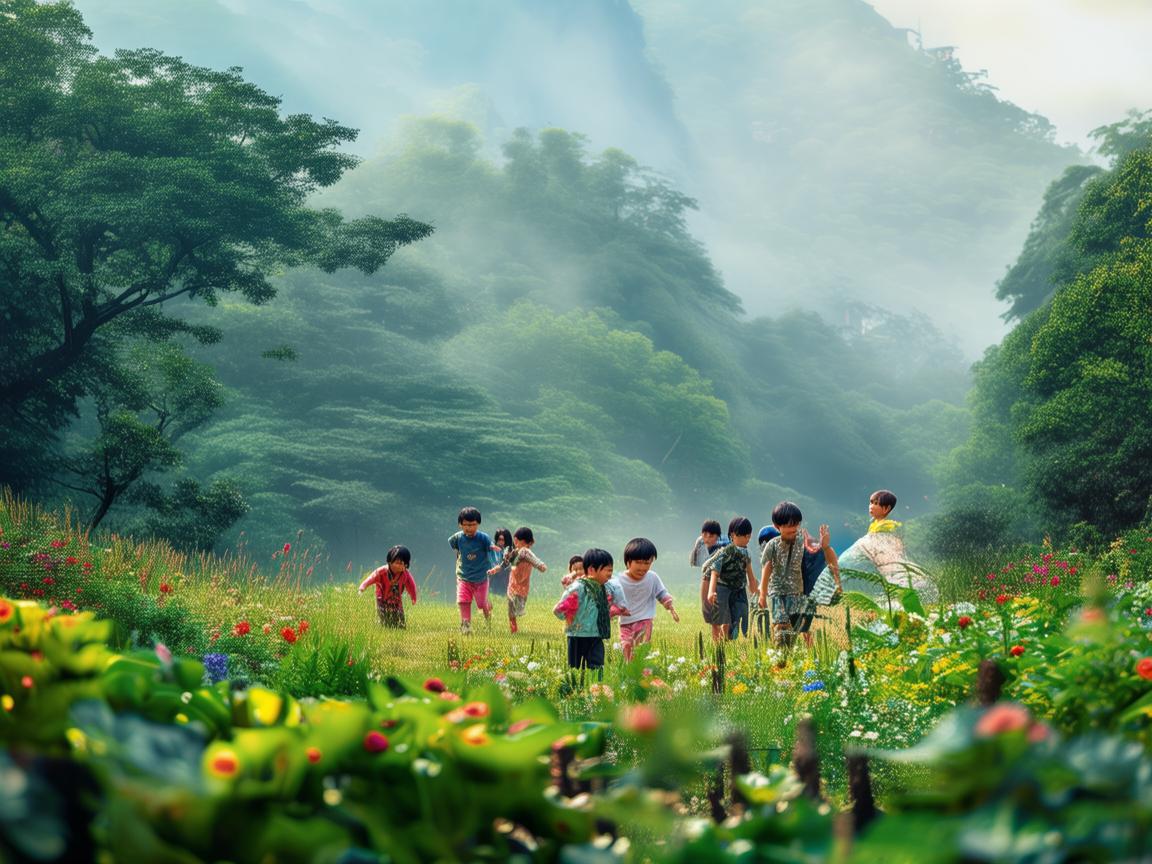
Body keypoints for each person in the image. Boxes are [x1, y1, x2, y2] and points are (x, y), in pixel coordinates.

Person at [759, 523, 840, 645]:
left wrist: (837, 582)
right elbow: (768, 569)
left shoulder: (803, 547)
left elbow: (826, 554)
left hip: (805, 594)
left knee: (799, 628)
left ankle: (805, 655)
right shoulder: (775, 550)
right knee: (786, 627)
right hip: (791, 595)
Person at [553, 548, 627, 671]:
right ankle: (576, 688)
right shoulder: (578, 587)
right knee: (575, 667)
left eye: (611, 570)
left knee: (597, 666)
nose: (610, 574)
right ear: (592, 570)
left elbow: (614, 599)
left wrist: (618, 609)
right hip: (577, 635)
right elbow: (560, 610)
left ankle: (596, 688)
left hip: (596, 635)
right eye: (607, 570)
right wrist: (566, 612)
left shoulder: (605, 587)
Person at [612, 538, 679, 661]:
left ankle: (640, 672)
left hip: (644, 620)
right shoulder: (618, 580)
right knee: (626, 646)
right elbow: (610, 598)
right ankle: (630, 672)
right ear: (628, 562)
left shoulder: (652, 577)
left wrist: (668, 603)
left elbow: (661, 593)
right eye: (638, 562)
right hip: (625, 622)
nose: (642, 567)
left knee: (640, 649)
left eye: (647, 563)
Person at [757, 501, 810, 648]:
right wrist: (762, 593)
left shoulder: (802, 540)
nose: (793, 530)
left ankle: (788, 656)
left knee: (792, 628)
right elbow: (767, 568)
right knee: (781, 624)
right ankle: (779, 656)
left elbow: (813, 558)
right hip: (776, 592)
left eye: (796, 525)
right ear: (777, 526)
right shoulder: (772, 545)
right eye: (788, 526)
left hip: (796, 592)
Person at [704, 517, 757, 642]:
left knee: (733, 619)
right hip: (722, 588)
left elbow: (749, 572)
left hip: (738, 590)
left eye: (749, 535)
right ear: (733, 535)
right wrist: (711, 591)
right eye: (744, 535)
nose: (747, 538)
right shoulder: (725, 553)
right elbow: (715, 572)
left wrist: (754, 588)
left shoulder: (746, 554)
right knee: (719, 619)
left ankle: (726, 642)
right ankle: (717, 646)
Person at [490, 526, 547, 633]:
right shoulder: (516, 552)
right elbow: (505, 563)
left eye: (515, 539)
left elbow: (535, 560)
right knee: (511, 608)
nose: (514, 541)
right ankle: (514, 630)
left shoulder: (525, 552)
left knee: (515, 608)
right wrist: (496, 569)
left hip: (521, 586)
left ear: (519, 540)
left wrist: (541, 566)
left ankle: (517, 617)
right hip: (513, 584)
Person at [449, 506, 495, 635]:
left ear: (478, 524)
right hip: (464, 576)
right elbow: (454, 547)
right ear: (460, 525)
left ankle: (487, 611)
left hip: (481, 577)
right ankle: (466, 626)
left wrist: (494, 549)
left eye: (473, 525)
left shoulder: (483, 538)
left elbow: (490, 546)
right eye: (466, 525)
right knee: (463, 600)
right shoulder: (457, 538)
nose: (469, 528)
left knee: (481, 604)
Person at [358, 545, 418, 628]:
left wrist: (413, 597)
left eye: (404, 564)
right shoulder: (382, 572)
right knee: (385, 621)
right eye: (398, 563)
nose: (401, 566)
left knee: (400, 623)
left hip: (397, 602)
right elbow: (371, 578)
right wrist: (362, 588)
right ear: (390, 562)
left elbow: (411, 585)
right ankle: (381, 625)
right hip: (382, 600)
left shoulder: (405, 574)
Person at [691, 519, 728, 635]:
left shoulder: (725, 545)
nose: (707, 538)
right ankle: (716, 646)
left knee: (726, 615)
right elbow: (694, 561)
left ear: (717, 536)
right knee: (711, 614)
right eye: (704, 534)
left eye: (711, 536)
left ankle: (725, 638)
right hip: (707, 578)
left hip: (724, 581)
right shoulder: (700, 542)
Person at [488, 528, 514, 597]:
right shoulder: (492, 548)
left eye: (503, 540)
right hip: (492, 575)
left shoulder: (510, 550)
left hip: (504, 576)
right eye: (499, 539)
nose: (501, 542)